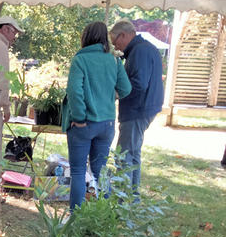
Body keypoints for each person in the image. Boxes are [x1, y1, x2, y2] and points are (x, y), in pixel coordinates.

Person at [63, 22, 132, 209]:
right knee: (100, 171)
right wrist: (109, 96)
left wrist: (78, 118)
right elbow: (126, 89)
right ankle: (103, 215)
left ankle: (75, 218)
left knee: (78, 171)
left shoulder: (80, 60)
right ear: (104, 38)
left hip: (84, 124)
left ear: (85, 37)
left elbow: (74, 91)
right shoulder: (114, 60)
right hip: (107, 123)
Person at [109, 20, 164, 192]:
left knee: (123, 156)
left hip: (138, 109)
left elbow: (138, 84)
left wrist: (116, 94)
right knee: (133, 155)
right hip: (144, 107)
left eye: (115, 42)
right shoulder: (142, 48)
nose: (116, 47)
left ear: (123, 35)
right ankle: (132, 198)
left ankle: (122, 200)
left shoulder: (139, 51)